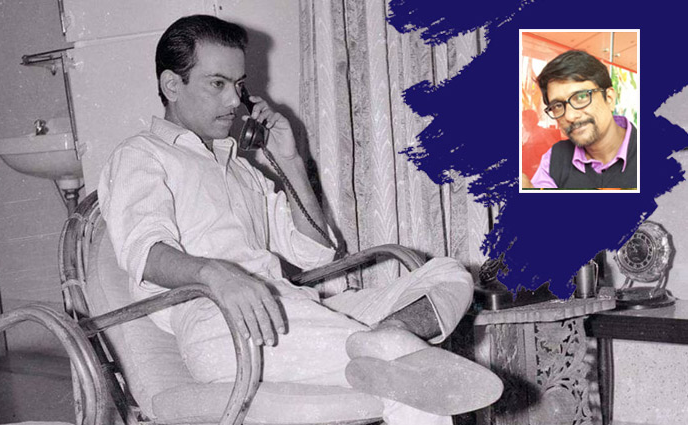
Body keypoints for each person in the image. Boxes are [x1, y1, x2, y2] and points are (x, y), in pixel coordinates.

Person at [99, 14, 501, 424]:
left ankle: (384, 339)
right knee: (406, 377)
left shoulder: (241, 170)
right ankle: (385, 347)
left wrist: (290, 161)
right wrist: (217, 275)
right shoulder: (141, 155)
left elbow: (313, 254)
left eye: (238, 85)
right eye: (217, 84)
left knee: (450, 275)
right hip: (227, 325)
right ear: (172, 85)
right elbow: (144, 251)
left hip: (295, 308)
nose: (234, 101)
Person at [524, 50, 637, 189]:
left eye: (581, 97)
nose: (570, 116)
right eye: (558, 105)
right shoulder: (554, 159)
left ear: (609, 99)